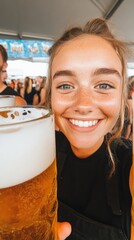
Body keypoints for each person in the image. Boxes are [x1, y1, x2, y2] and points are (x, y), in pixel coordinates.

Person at [46, 18, 134, 239]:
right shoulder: (38, 153)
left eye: (103, 85)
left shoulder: (129, 165)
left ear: (121, 97)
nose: (83, 105)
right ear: (51, 97)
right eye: (65, 85)